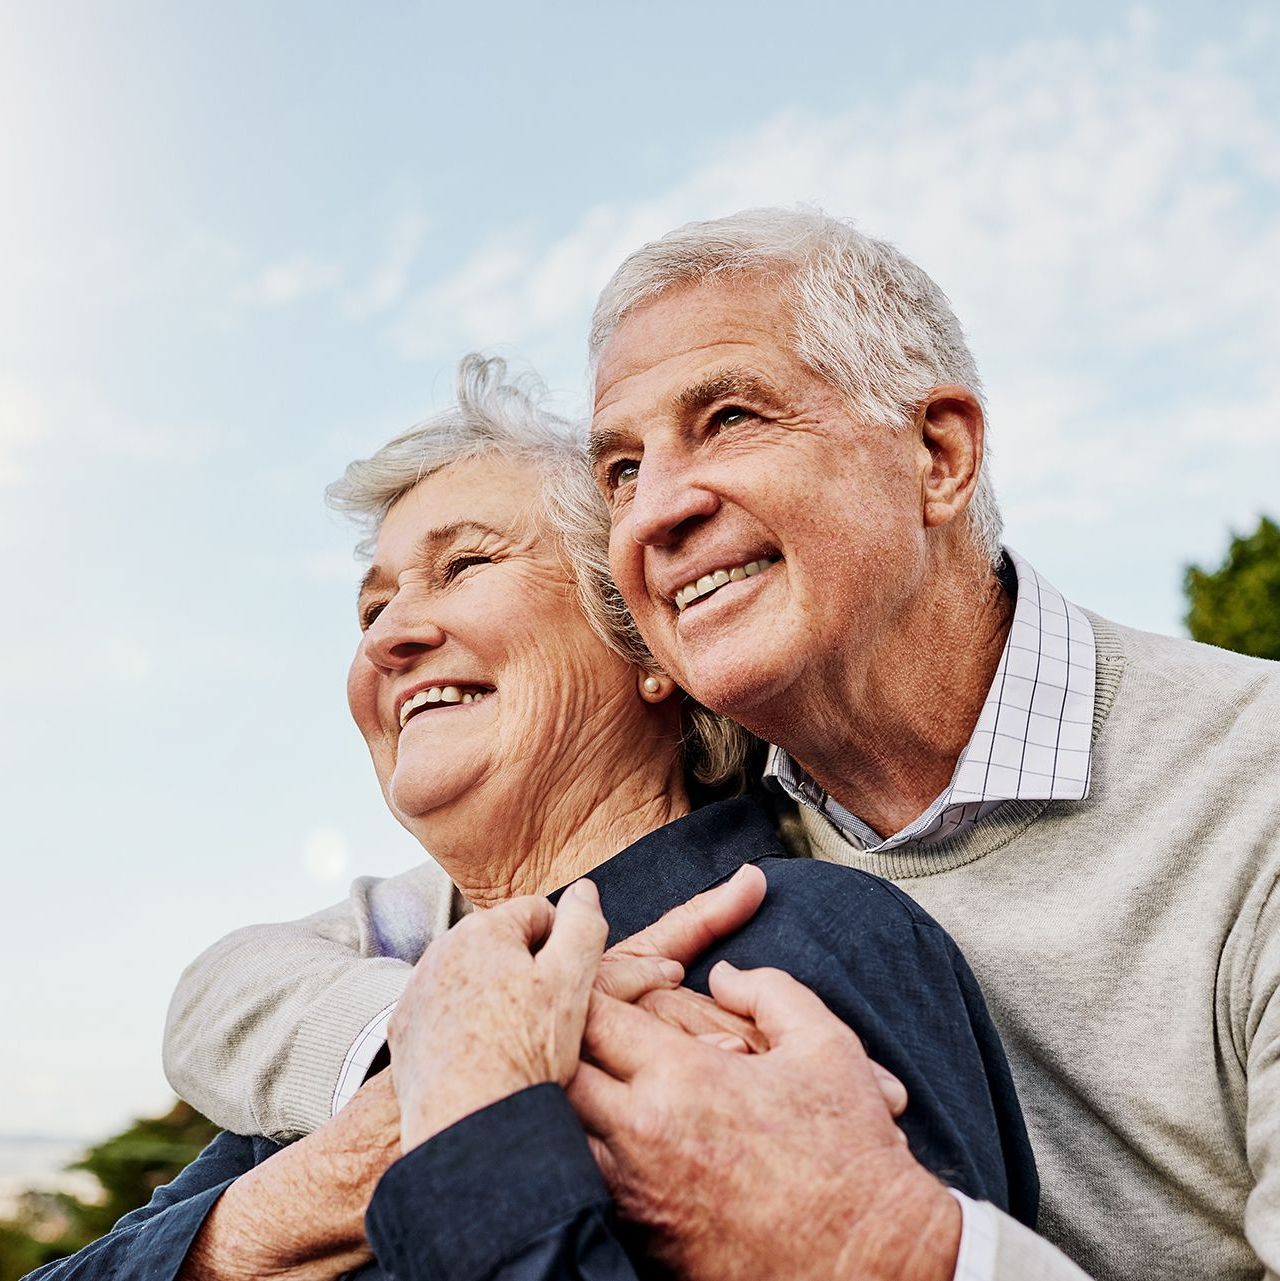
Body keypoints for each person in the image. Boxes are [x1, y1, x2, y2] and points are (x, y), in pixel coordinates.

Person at [31, 357, 1035, 1281]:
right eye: (370, 608)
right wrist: (295, 1203)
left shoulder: (801, 951)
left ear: (647, 645)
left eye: (463, 565)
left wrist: (476, 1128)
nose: (389, 637)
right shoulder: (371, 1039)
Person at [576, 207, 1280, 1281]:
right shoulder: (686, 820)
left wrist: (887, 1247)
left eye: (726, 418)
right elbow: (295, 967)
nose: (652, 514)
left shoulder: (1255, 780)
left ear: (937, 455)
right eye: (621, 470)